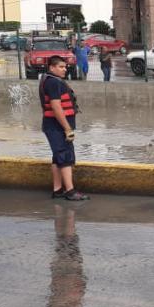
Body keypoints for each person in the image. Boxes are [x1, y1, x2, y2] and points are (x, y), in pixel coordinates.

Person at [40, 56, 89, 201]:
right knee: (65, 157)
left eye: (65, 66)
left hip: (53, 126)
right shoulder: (54, 82)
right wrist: (67, 129)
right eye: (61, 67)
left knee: (57, 158)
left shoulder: (49, 80)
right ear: (52, 68)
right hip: (57, 127)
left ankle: (58, 189)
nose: (64, 69)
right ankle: (70, 191)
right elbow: (56, 107)